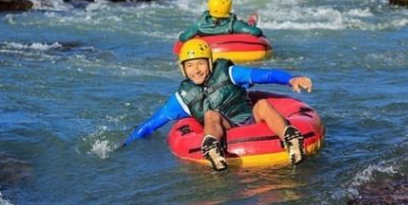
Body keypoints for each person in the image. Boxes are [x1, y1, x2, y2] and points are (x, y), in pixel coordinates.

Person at [123, 38, 313, 171]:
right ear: (183, 69)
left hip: (249, 119)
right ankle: (212, 147)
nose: (196, 70)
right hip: (224, 127)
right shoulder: (181, 98)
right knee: (210, 115)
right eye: (190, 66)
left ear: (210, 63)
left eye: (200, 64)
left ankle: (291, 138)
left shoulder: (229, 72)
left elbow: (265, 75)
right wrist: (125, 147)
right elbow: (150, 125)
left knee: (263, 104)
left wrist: (291, 80)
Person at [178, 0, 263, 42]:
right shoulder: (234, 25)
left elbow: (183, 38)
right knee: (246, 25)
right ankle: (252, 21)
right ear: (229, 8)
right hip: (231, 44)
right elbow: (256, 32)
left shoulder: (198, 25)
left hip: (209, 46)